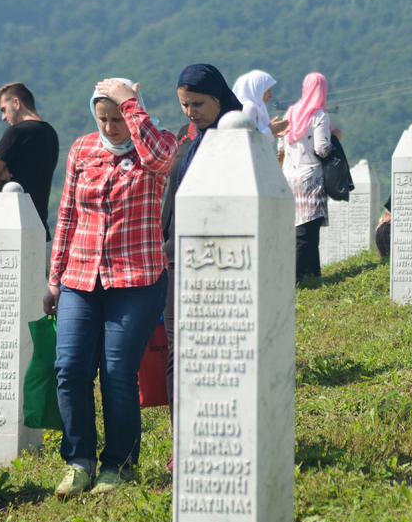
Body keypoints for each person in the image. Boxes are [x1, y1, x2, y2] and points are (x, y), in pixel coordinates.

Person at [43, 78, 178, 498]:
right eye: (104, 119)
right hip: (81, 276)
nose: (111, 127)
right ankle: (78, 461)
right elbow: (66, 214)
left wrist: (131, 105)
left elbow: (162, 159)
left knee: (118, 372)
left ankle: (118, 465)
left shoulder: (153, 145)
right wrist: (55, 277)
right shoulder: (83, 149)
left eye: (118, 118)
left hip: (136, 278)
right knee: (70, 368)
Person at [161, 64, 242, 466]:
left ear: (218, 97)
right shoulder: (189, 139)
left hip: (220, 258)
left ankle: (221, 428)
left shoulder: (237, 139)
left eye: (197, 103)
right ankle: (184, 437)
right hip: (179, 255)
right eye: (184, 105)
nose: (190, 112)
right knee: (180, 350)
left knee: (217, 348)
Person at [0, 82, 60, 241]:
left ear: (17, 103)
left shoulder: (16, 132)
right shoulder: (51, 133)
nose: (3, 117)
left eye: (4, 110)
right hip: (38, 224)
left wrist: (2, 177)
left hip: (11, 222)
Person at [281, 72, 333, 281]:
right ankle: (307, 274)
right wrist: (335, 139)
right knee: (309, 231)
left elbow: (280, 144)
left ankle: (304, 275)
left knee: (296, 227)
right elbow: (321, 148)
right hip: (310, 177)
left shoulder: (291, 112)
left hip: (289, 176)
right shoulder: (319, 114)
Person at [231, 69, 289, 137]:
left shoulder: (259, 107)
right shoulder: (249, 108)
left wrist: (272, 132)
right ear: (257, 90)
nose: (271, 96)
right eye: (268, 91)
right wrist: (270, 130)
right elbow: (248, 138)